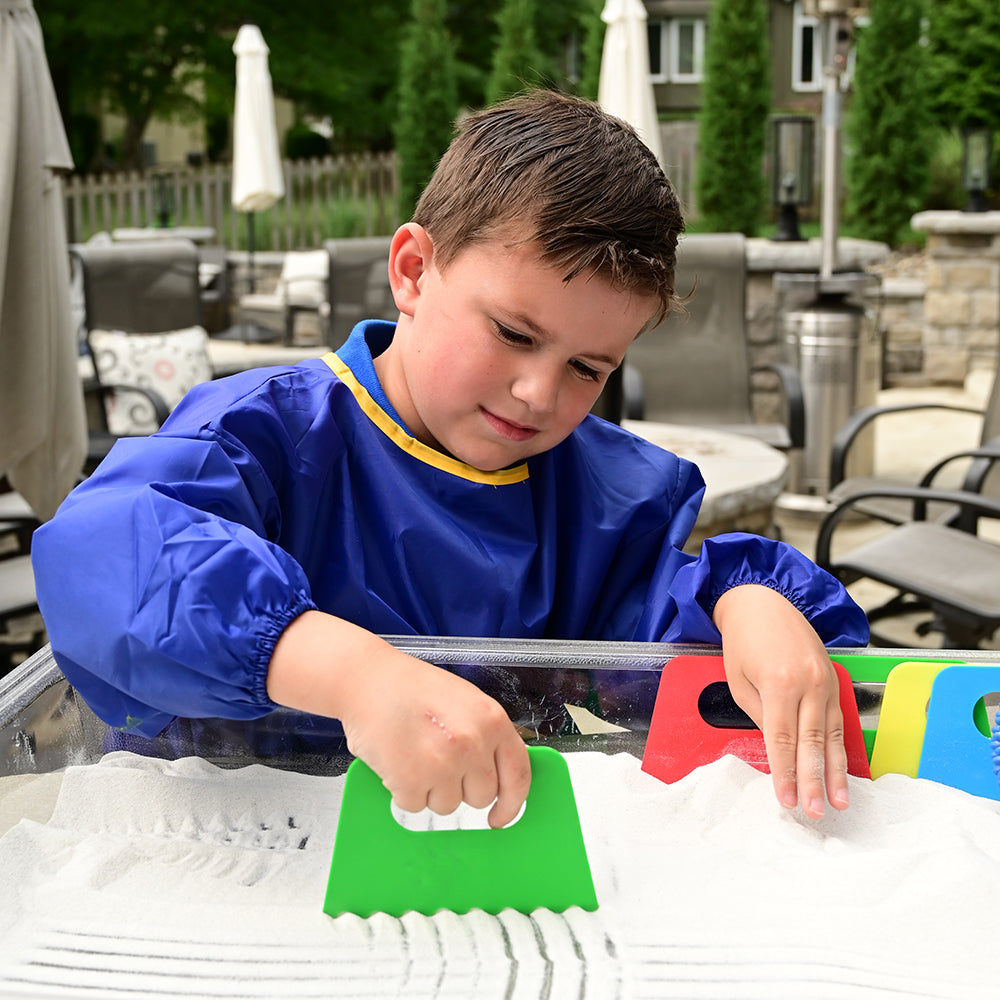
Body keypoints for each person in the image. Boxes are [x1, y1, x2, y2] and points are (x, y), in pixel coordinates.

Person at [33, 91, 868, 829]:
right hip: (219, 850)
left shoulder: (596, 503)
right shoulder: (264, 435)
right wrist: (345, 670)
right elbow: (106, 555)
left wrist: (751, 604)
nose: (540, 394)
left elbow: (660, 619)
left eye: (588, 369)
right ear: (413, 270)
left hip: (467, 875)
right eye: (512, 333)